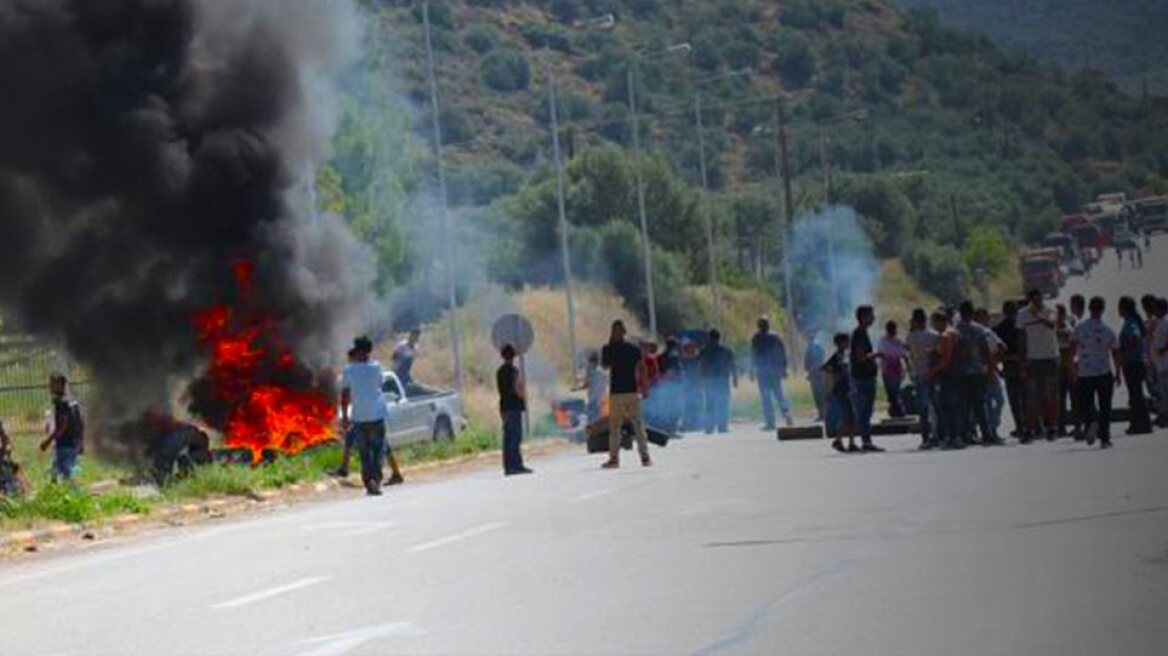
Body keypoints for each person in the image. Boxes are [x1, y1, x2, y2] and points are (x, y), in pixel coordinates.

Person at [340, 337, 392, 496]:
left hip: (359, 416)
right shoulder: (376, 367)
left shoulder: (349, 370)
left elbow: (345, 395)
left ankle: (368, 480)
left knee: (364, 452)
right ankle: (375, 479)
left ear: (357, 350)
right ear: (369, 350)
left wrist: (345, 417)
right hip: (376, 414)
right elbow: (378, 385)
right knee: (378, 450)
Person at [1070, 296, 1122, 449]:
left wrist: (1072, 368)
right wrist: (1118, 372)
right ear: (1102, 310)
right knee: (1105, 406)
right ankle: (1105, 439)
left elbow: (1071, 349)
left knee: (1085, 403)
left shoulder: (1079, 329)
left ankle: (1091, 422)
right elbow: (1115, 352)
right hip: (1104, 372)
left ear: (1089, 309)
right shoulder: (1108, 330)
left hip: (1085, 372)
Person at [601, 320, 651, 469]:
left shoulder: (607, 349)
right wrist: (645, 386)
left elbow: (605, 366)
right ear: (625, 332)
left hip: (617, 393)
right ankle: (645, 457)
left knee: (615, 427)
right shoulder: (633, 349)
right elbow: (642, 368)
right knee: (638, 425)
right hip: (632, 392)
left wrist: (610, 345)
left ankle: (614, 459)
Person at [953, 301, 1002, 446]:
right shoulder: (979, 329)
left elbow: (954, 352)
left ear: (961, 313)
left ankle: (963, 435)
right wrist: (988, 367)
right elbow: (985, 349)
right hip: (977, 371)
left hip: (961, 372)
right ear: (972, 313)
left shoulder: (955, 331)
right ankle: (987, 435)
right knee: (980, 405)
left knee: (963, 406)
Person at [1017, 290, 1060, 442]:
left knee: (1049, 395)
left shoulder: (1050, 311)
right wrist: (1022, 361)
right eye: (1033, 300)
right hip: (1032, 359)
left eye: (1039, 299)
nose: (1037, 302)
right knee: (1031, 397)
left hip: (1049, 357)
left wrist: (1038, 315)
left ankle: (1052, 427)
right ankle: (1030, 430)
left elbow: (1052, 326)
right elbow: (1022, 338)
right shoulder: (1022, 315)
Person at [849, 306, 884, 452]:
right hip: (863, 377)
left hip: (864, 377)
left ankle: (866, 440)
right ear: (863, 317)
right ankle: (866, 440)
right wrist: (876, 355)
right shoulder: (859, 333)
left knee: (865, 411)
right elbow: (860, 357)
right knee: (864, 411)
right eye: (871, 315)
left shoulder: (862, 332)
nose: (873, 318)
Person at [1117, 297, 1154, 435]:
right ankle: (1138, 422)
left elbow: (1135, 338)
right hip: (1135, 363)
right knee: (1135, 394)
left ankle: (1143, 423)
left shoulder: (1131, 323)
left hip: (1134, 363)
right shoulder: (1131, 321)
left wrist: (1126, 351)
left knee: (1136, 395)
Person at [927, 311, 962, 449]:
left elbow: (946, 359)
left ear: (939, 321)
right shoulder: (955, 332)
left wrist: (932, 371)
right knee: (954, 407)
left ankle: (952, 437)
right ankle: (956, 436)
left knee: (946, 407)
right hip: (957, 373)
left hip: (948, 375)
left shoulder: (945, 335)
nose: (932, 325)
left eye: (933, 322)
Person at [39, 373, 84, 482]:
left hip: (64, 445)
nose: (49, 386)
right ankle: (54, 492)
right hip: (71, 444)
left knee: (67, 475)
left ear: (59, 385)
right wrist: (80, 442)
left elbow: (62, 426)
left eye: (52, 384)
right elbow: (80, 423)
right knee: (55, 473)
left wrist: (47, 441)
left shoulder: (61, 404)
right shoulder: (72, 403)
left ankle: (76, 494)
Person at [750, 317, 793, 430]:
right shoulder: (775, 337)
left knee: (766, 398)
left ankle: (770, 423)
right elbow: (782, 353)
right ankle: (787, 416)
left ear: (759, 326)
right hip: (774, 371)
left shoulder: (756, 338)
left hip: (763, 372)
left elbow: (753, 355)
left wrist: (751, 370)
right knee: (779, 395)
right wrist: (784, 368)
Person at [497, 344, 532, 476]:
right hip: (514, 407)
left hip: (504, 407)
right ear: (513, 356)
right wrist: (523, 395)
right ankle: (517, 465)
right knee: (515, 438)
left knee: (507, 437)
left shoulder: (499, 371)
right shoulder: (514, 371)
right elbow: (517, 389)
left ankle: (508, 466)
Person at [905, 309, 938, 449]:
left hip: (918, 375)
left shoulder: (910, 337)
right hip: (932, 374)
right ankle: (937, 435)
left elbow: (909, 352)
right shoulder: (933, 335)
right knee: (935, 407)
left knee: (923, 410)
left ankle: (925, 438)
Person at [994, 301, 1027, 438]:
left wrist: (998, 367)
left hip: (1009, 364)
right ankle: (1030, 425)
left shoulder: (999, 328)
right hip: (1024, 363)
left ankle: (1020, 426)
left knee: (1014, 398)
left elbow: (995, 350)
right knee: (1026, 397)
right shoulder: (1022, 326)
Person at [822, 333, 858, 453]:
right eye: (846, 342)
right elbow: (824, 367)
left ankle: (846, 441)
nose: (848, 344)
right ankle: (842, 441)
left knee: (849, 417)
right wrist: (836, 374)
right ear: (840, 343)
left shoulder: (845, 355)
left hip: (846, 389)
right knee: (849, 417)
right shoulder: (837, 356)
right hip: (840, 390)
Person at [975, 308, 1008, 438]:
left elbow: (1002, 347)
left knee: (999, 401)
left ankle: (993, 425)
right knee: (987, 403)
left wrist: (997, 365)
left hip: (991, 371)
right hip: (980, 373)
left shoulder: (989, 333)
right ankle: (990, 432)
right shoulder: (979, 333)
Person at [700, 329, 738, 434]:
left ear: (710, 338)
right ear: (718, 338)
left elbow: (700, 365)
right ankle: (722, 426)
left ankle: (709, 427)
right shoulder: (726, 350)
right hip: (722, 379)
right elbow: (733, 365)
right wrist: (735, 378)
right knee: (723, 403)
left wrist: (700, 378)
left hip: (709, 379)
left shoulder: (704, 350)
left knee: (709, 404)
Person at [1056, 305, 1081, 438]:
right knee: (1060, 399)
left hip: (1069, 366)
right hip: (1058, 368)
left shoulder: (1068, 329)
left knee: (1074, 398)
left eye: (1059, 313)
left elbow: (1072, 347)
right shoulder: (1053, 328)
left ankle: (1077, 425)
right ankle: (1061, 426)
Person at [877, 320, 909, 419]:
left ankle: (898, 410)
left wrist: (908, 367)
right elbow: (881, 354)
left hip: (896, 369)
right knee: (891, 392)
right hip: (887, 369)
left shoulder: (898, 341)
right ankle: (896, 410)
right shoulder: (883, 341)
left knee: (895, 391)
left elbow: (904, 355)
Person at [574, 351, 608, 424]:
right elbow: (589, 383)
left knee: (593, 420)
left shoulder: (590, 370)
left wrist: (578, 388)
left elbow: (587, 384)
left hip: (594, 401)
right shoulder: (602, 372)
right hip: (602, 400)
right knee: (600, 419)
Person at [1151, 298, 1168, 427]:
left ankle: (1164, 415)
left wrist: (1164, 348)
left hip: (1165, 362)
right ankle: (1163, 413)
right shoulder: (1158, 323)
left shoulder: (1165, 322)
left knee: (1164, 390)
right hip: (1159, 363)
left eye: (1156, 308)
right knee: (1161, 390)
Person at [804, 331, 827, 423]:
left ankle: (823, 414)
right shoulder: (811, 346)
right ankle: (821, 414)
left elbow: (817, 360)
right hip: (815, 374)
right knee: (817, 395)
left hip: (817, 374)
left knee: (820, 395)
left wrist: (812, 369)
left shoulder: (815, 345)